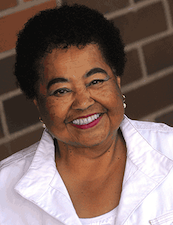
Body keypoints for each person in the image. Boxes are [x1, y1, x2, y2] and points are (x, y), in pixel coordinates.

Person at [0, 4, 173, 225]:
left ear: (117, 83)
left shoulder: (170, 150)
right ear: (38, 104)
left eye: (96, 81)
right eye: (61, 90)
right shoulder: (4, 195)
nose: (83, 103)